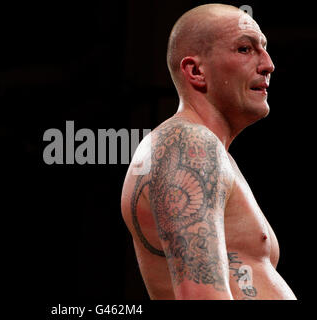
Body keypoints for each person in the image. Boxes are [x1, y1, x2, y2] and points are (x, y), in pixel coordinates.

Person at [121, 3, 297, 300]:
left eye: (264, 49)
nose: (268, 64)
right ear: (196, 71)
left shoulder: (211, 151)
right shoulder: (188, 144)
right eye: (245, 49)